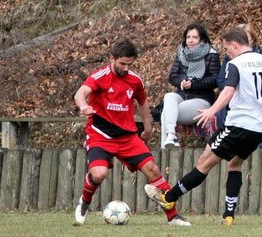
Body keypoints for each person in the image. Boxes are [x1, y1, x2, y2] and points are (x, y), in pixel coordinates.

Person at [144, 27, 262, 225]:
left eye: (226, 49)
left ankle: (169, 199)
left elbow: (228, 91)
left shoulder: (235, 64)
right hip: (258, 129)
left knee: (204, 162)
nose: (226, 53)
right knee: (234, 164)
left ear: (235, 45)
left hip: (237, 125)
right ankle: (228, 216)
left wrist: (211, 111)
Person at [73, 38, 190, 226]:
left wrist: (148, 126)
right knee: (99, 174)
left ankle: (173, 216)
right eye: (122, 64)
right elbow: (80, 93)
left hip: (127, 137)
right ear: (112, 58)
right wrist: (83, 105)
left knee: (153, 170)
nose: (126, 68)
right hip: (100, 134)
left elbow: (142, 102)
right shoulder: (99, 76)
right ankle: (84, 202)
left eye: (130, 64)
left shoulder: (135, 80)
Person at [160, 23, 221, 149]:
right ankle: (171, 135)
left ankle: (166, 147)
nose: (191, 40)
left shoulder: (211, 54)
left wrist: (193, 84)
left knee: (166, 112)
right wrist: (182, 81)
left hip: (202, 99)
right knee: (169, 96)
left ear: (202, 39)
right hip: (182, 94)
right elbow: (173, 76)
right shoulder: (181, 52)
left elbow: (215, 80)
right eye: (188, 37)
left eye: (194, 37)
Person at [216, 23, 262, 129]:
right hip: (232, 95)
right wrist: (232, 88)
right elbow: (220, 80)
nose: (244, 41)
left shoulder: (260, 57)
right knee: (222, 109)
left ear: (252, 39)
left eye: (247, 38)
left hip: (252, 97)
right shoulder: (229, 57)